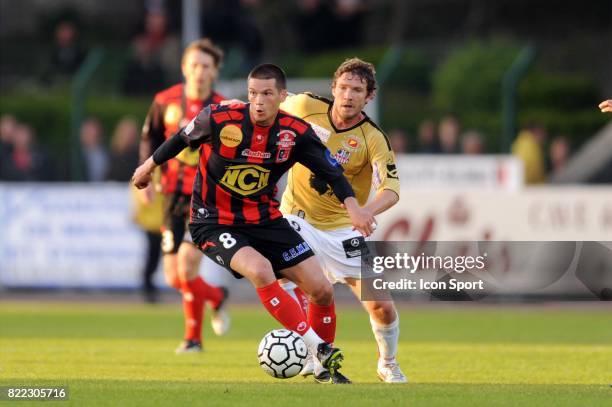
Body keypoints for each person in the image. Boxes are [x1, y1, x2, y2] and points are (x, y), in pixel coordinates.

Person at [133, 63, 376, 384]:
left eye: (266, 94)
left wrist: (354, 209)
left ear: (282, 97)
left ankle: (320, 370)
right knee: (260, 270)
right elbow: (180, 138)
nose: (258, 101)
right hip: (213, 221)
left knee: (321, 289)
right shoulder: (219, 118)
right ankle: (319, 349)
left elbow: (333, 173)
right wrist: (148, 166)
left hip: (265, 219)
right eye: (252, 94)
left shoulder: (296, 133)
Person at [279, 57, 407, 383]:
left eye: (357, 90)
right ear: (333, 88)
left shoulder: (373, 138)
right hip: (298, 217)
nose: (348, 95)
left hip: (343, 230)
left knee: (382, 307)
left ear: (369, 97)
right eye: (344, 88)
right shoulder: (305, 105)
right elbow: (272, 101)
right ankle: (314, 352)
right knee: (296, 280)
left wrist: (366, 212)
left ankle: (387, 363)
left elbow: (391, 189)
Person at [139, 38, 230, 353]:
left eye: (206, 66)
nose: (199, 71)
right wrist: (148, 176)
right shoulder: (165, 100)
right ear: (184, 67)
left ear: (215, 71)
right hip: (171, 197)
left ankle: (193, 339)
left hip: (204, 199)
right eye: (194, 64)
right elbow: (150, 139)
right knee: (173, 277)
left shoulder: (222, 109)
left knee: (188, 265)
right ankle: (216, 297)